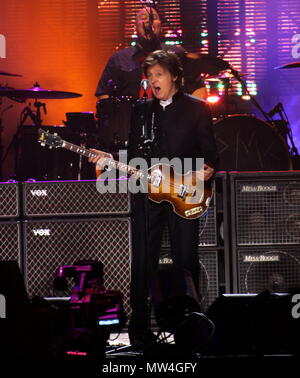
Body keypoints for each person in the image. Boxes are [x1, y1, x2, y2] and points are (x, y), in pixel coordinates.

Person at [89, 50, 218, 350]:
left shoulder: (197, 109)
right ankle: (140, 332)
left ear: (174, 75)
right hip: (147, 194)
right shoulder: (142, 110)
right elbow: (135, 155)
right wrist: (111, 160)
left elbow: (210, 155)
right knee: (142, 262)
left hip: (184, 195)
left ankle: (189, 330)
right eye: (149, 75)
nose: (153, 80)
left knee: (185, 260)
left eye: (159, 74)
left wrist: (206, 170)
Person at [94, 6, 205, 153]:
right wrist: (113, 125)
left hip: (170, 130)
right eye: (144, 18)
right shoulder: (120, 58)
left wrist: (188, 118)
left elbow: (199, 88)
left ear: (160, 25)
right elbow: (104, 94)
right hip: (130, 130)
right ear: (135, 26)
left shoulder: (177, 54)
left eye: (153, 17)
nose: (148, 21)